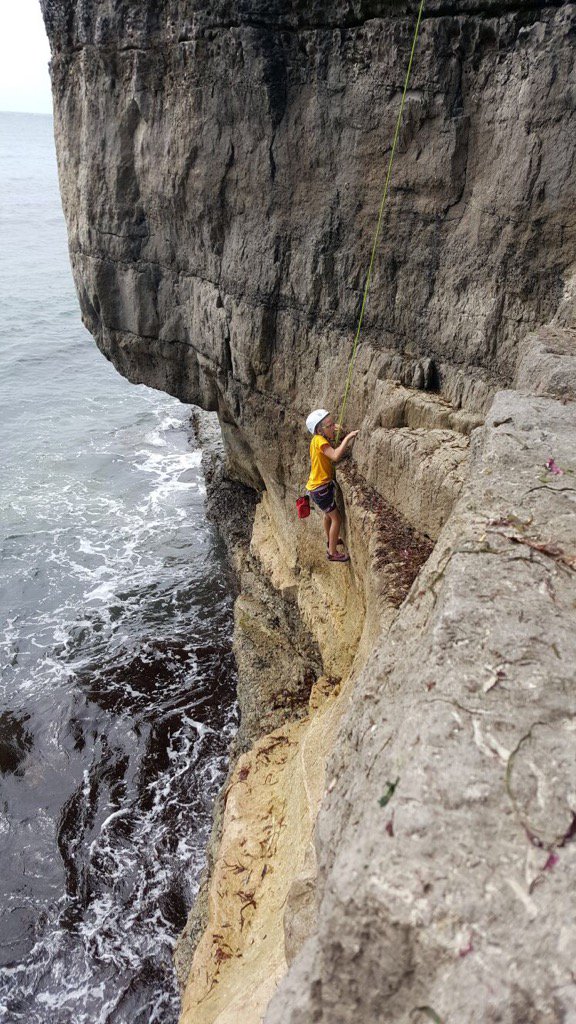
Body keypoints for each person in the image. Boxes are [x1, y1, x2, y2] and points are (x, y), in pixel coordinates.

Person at [305, 409, 358, 563]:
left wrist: (337, 431)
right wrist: (347, 438)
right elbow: (334, 455)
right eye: (330, 425)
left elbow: (330, 443)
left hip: (317, 488)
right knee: (337, 519)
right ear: (320, 430)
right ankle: (332, 552)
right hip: (321, 489)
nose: (333, 427)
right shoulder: (321, 441)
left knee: (328, 515)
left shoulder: (317, 439)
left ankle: (330, 540)